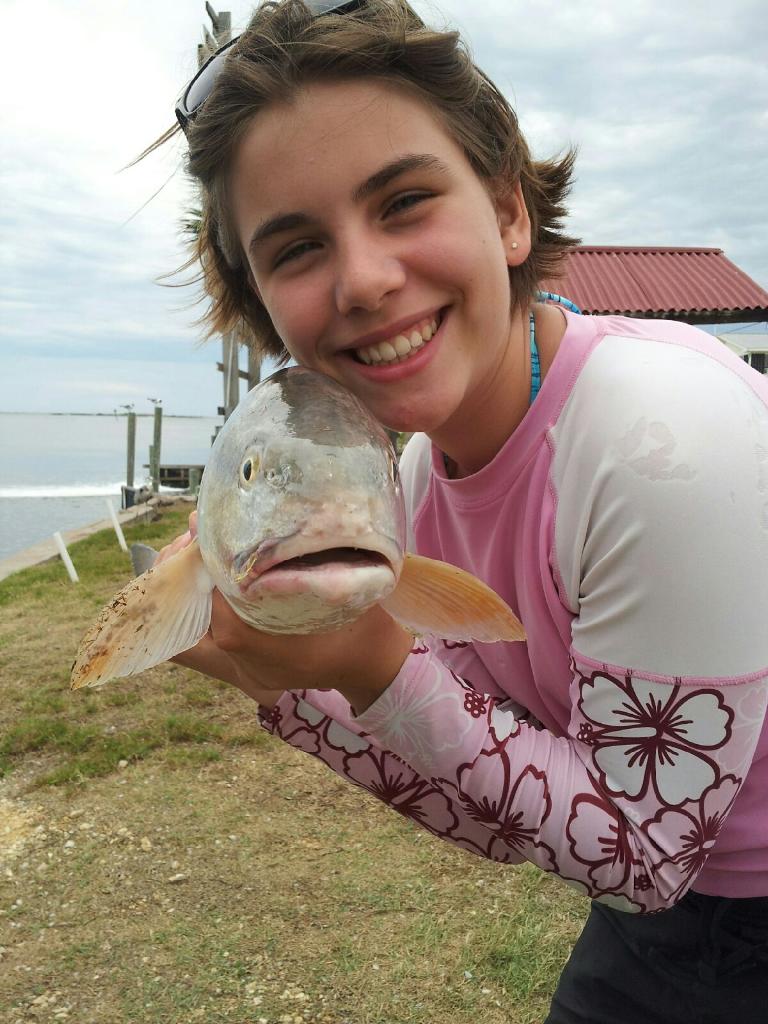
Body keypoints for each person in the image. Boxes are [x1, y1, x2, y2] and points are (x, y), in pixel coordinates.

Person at [151, 1, 768, 1019]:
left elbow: (646, 855)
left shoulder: (664, 436)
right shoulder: (413, 490)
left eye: (402, 201)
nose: (364, 278)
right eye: (297, 248)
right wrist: (306, 683)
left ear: (510, 211)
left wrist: (367, 670)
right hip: (657, 910)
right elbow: (511, 806)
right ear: (267, 310)